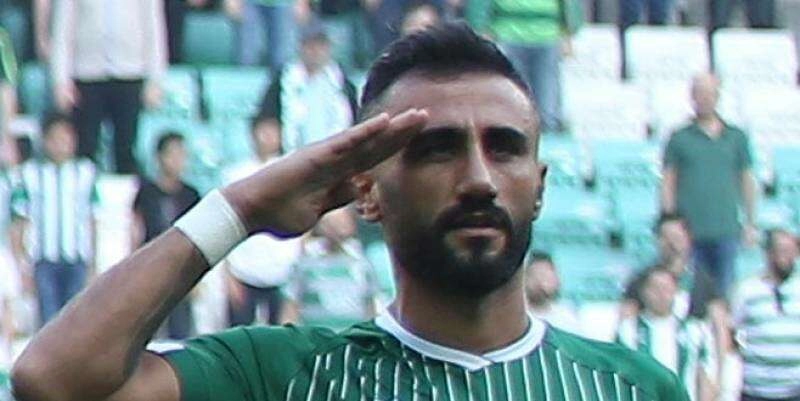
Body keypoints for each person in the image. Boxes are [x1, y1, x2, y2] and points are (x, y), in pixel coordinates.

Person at [11, 22, 689, 401]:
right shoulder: (281, 374)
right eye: (437, 149)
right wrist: (241, 208)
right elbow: (53, 380)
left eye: (504, 147)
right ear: (366, 191)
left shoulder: (633, 387)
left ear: (538, 186)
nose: (480, 179)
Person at [662, 73, 757, 299]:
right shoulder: (679, 138)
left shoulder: (736, 137)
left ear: (718, 96)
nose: (705, 99)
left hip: (726, 230)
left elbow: (746, 180)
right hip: (689, 233)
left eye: (709, 93)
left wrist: (751, 222)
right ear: (692, 97)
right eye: (700, 93)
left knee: (724, 295)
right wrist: (668, 222)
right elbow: (668, 182)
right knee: (692, 295)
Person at [50, 0, 168, 174]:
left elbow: (154, 27)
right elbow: (62, 29)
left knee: (126, 148)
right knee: (86, 147)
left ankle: (126, 189)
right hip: (86, 74)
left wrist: (155, 79)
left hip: (130, 73)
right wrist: (60, 80)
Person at [9, 113, 98, 327]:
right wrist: (22, 264)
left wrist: (93, 261)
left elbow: (92, 219)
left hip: (76, 257)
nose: (61, 144)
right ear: (45, 141)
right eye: (55, 138)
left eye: (66, 138)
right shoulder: (29, 174)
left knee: (77, 320)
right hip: (43, 260)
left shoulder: (85, 172)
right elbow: (19, 221)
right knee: (49, 323)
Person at [221, 116, 303, 327]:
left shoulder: (291, 170)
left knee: (278, 336)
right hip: (244, 271)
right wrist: (229, 276)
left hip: (282, 271)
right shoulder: (235, 174)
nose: (268, 136)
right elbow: (224, 227)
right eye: (263, 130)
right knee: (238, 336)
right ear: (253, 134)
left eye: (273, 130)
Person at [621, 213, 731, 357]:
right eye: (666, 238)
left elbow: (719, 322)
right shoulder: (642, 280)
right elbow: (626, 318)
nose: (672, 244)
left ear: (688, 239)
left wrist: (720, 366)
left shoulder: (703, 280)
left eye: (677, 237)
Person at [466, 0, 583, 134]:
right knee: (509, 99)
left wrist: (568, 33)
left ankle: (548, 136)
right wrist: (481, 30)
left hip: (548, 38)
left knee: (547, 105)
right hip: (506, 36)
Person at [131, 132, 200, 339]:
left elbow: (199, 237)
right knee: (146, 331)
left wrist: (198, 277)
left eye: (182, 155)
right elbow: (136, 231)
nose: (178, 160)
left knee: (181, 334)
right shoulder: (146, 192)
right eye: (172, 154)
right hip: (151, 269)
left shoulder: (191, 195)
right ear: (159, 157)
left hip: (182, 272)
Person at [617, 267, 718, 401]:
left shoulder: (694, 330)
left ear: (676, 291)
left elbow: (704, 376)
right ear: (643, 292)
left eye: (666, 288)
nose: (661, 294)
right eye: (655, 288)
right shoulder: (629, 330)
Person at [258, 22, 359, 154]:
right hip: (292, 156)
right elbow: (267, 120)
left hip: (336, 157)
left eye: (321, 45)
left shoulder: (342, 83)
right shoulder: (282, 81)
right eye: (310, 45)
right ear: (301, 46)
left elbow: (355, 120)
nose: (316, 51)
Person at [282, 207, 379, 331]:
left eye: (342, 222)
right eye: (332, 223)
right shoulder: (306, 261)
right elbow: (291, 303)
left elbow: (370, 304)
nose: (338, 228)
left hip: (351, 336)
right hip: (314, 336)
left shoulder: (361, 262)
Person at [731, 229, 800, 401]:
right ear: (769, 253)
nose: (788, 256)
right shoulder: (747, 290)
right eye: (782, 250)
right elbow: (731, 332)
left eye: (792, 251)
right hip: (756, 391)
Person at [224, 0, 307, 71]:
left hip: (285, 3)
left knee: (284, 55)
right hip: (249, 3)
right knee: (249, 53)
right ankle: (246, 83)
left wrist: (301, 2)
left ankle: (282, 82)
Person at [524, 251, 582, 334]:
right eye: (537, 275)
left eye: (546, 276)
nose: (541, 283)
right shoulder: (517, 317)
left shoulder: (566, 316)